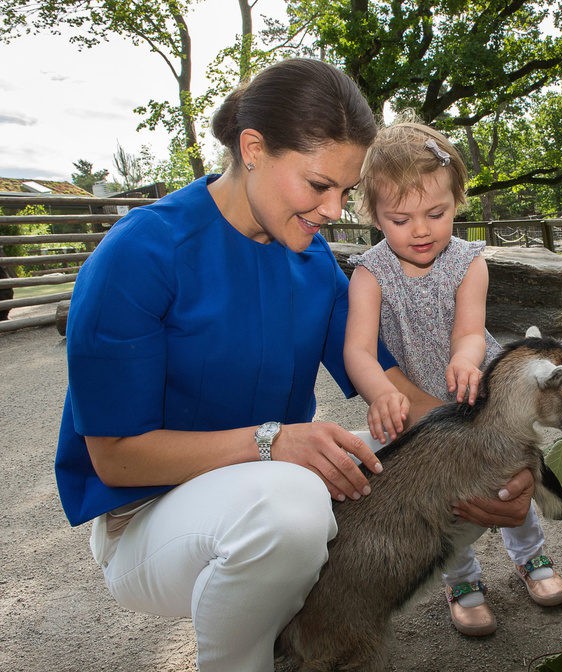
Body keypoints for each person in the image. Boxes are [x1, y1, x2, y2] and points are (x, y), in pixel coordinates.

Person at [54, 59, 534, 672]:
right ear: (252, 149)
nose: (335, 210)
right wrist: (271, 442)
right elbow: (115, 455)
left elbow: (394, 390)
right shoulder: (138, 255)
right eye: (318, 185)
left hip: (270, 483)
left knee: (408, 458)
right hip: (146, 521)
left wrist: (486, 455)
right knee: (292, 508)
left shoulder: (313, 268)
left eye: (345, 190)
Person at [343, 121, 562, 637]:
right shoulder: (368, 273)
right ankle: (462, 579)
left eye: (436, 213)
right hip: (410, 406)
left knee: (509, 473)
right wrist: (379, 390)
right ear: (375, 216)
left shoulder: (468, 261)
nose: (420, 230)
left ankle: (530, 556)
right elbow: (357, 350)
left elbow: (470, 330)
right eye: (400, 219)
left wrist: (467, 359)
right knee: (441, 498)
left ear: (457, 202)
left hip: (472, 391)